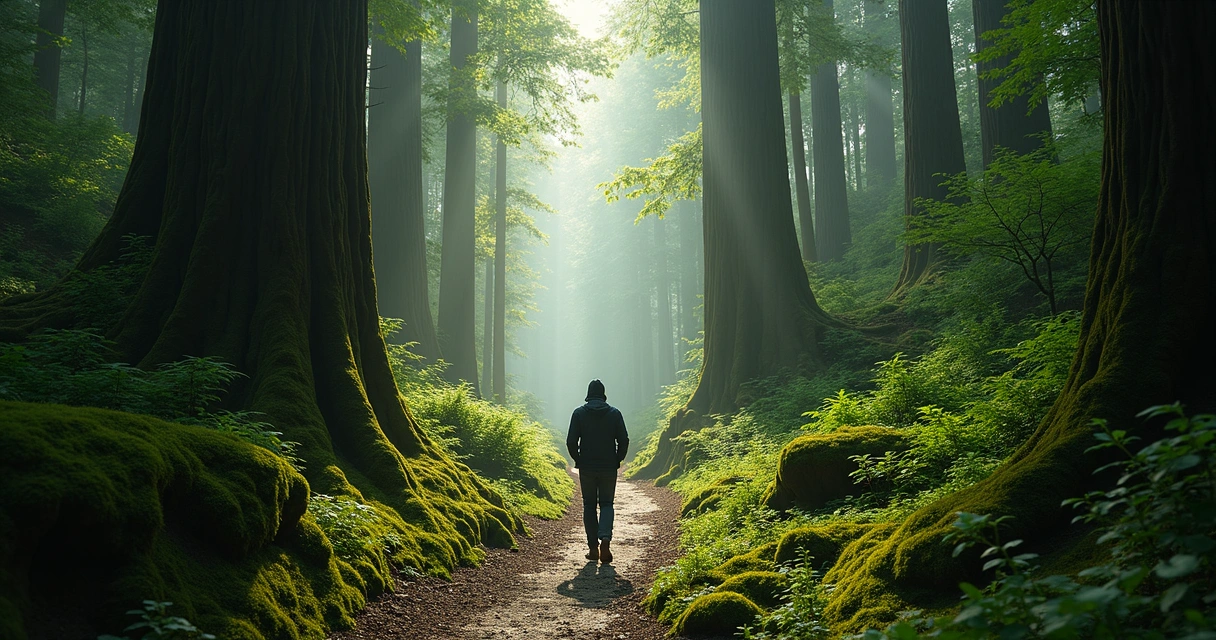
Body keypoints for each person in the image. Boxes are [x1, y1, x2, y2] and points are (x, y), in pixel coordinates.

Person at [566, 379, 629, 564]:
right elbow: (624, 440)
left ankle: (593, 548)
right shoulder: (614, 414)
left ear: (588, 394)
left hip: (587, 467)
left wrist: (578, 459)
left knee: (589, 506)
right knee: (607, 504)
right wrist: (617, 459)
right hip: (608, 467)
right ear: (603, 394)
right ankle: (606, 541)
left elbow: (571, 442)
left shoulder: (578, 413)